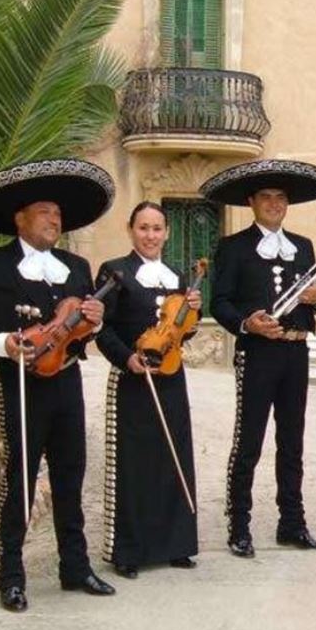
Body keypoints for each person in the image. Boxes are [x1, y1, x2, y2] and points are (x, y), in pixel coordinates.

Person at [0, 159, 118, 612]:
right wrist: (4, 343)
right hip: (21, 385)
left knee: (70, 477)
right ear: (20, 219)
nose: (54, 220)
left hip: (67, 384)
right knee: (19, 482)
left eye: (58, 214)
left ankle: (75, 567)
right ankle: (11, 576)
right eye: (45, 212)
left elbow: (81, 331)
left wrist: (95, 321)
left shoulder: (76, 266)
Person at [201, 159, 316, 557]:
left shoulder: (303, 246)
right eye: (266, 197)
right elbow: (219, 302)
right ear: (252, 202)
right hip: (257, 353)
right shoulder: (234, 247)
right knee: (249, 442)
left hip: (296, 352)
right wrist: (247, 323)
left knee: (292, 442)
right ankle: (239, 526)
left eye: (281, 198)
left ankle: (291, 524)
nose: (275, 203)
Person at [94, 201, 199, 578]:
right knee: (134, 462)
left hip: (171, 376)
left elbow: (182, 331)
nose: (150, 235)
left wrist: (193, 314)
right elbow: (100, 328)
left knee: (173, 457)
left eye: (157, 229)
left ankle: (176, 544)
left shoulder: (177, 276)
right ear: (130, 230)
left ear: (166, 233)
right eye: (143, 228)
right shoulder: (115, 271)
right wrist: (127, 359)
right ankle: (129, 550)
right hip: (133, 379)